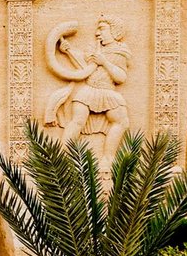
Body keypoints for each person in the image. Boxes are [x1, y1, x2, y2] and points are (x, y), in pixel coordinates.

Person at [44, 15, 131, 161]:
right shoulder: (94, 49)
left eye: (102, 29)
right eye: (98, 29)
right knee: (77, 121)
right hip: (88, 91)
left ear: (115, 31)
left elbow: (120, 77)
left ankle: (108, 159)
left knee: (122, 122)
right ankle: (62, 158)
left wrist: (104, 62)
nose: (97, 33)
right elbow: (86, 67)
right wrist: (69, 51)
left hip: (108, 92)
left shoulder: (119, 51)